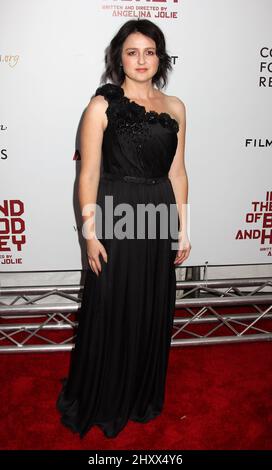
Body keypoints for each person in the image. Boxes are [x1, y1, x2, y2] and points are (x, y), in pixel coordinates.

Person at [56, 18, 191, 439]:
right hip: (116, 215)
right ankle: (104, 396)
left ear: (160, 58)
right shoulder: (101, 106)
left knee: (151, 304)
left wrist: (183, 229)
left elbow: (179, 173)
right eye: (132, 52)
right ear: (119, 58)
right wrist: (90, 234)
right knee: (112, 304)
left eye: (149, 51)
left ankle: (138, 394)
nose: (141, 60)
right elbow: (89, 174)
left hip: (158, 216)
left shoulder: (175, 107)